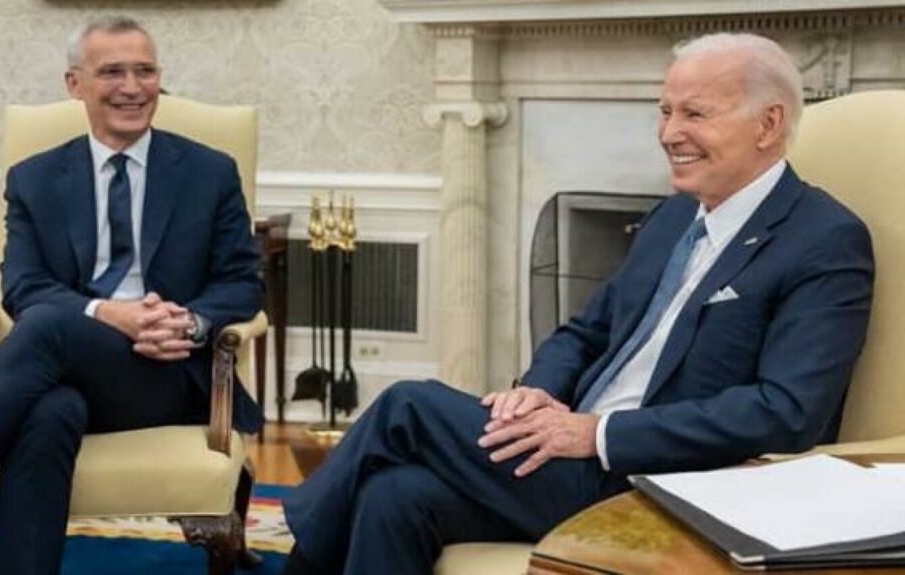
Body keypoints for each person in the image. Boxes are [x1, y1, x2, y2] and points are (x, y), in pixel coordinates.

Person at [282, 32, 875, 575]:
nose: (670, 133)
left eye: (695, 113)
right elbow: (586, 331)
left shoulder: (823, 239)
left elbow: (786, 411)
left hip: (665, 481)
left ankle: (295, 563)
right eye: (666, 111)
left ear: (768, 124)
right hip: (574, 456)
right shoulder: (674, 218)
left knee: (407, 405)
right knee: (395, 497)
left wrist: (599, 433)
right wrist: (540, 391)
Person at [0, 16, 262, 574]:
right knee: (50, 412)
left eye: (145, 70)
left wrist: (188, 324)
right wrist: (110, 313)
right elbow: (24, 287)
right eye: (112, 71)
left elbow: (241, 284)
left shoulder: (209, 171)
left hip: (164, 373)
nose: (132, 87)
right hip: (59, 370)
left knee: (44, 328)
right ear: (74, 84)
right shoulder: (35, 177)